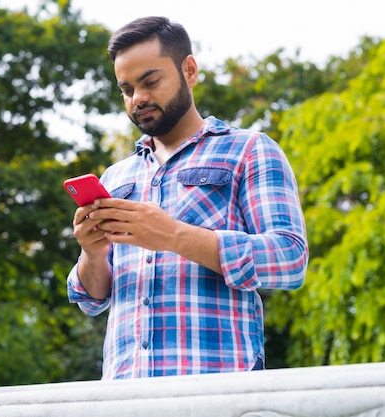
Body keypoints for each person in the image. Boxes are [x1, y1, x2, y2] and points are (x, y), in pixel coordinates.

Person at [66, 16, 308, 379]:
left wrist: (174, 236)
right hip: (122, 394)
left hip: (216, 391)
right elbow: (91, 300)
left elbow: (290, 259)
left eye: (151, 81)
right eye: (127, 89)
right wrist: (92, 253)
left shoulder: (251, 150)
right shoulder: (116, 176)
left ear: (189, 70)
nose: (139, 99)